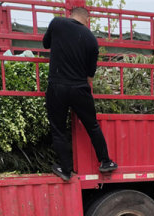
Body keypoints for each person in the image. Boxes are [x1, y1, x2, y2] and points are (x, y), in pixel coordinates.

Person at [43, 6, 117, 181]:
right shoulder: (91, 39)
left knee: (58, 129)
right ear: (87, 20)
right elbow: (90, 74)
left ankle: (66, 170)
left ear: (71, 14)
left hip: (57, 86)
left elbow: (46, 44)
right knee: (92, 126)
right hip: (80, 89)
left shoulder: (57, 23)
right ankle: (105, 162)